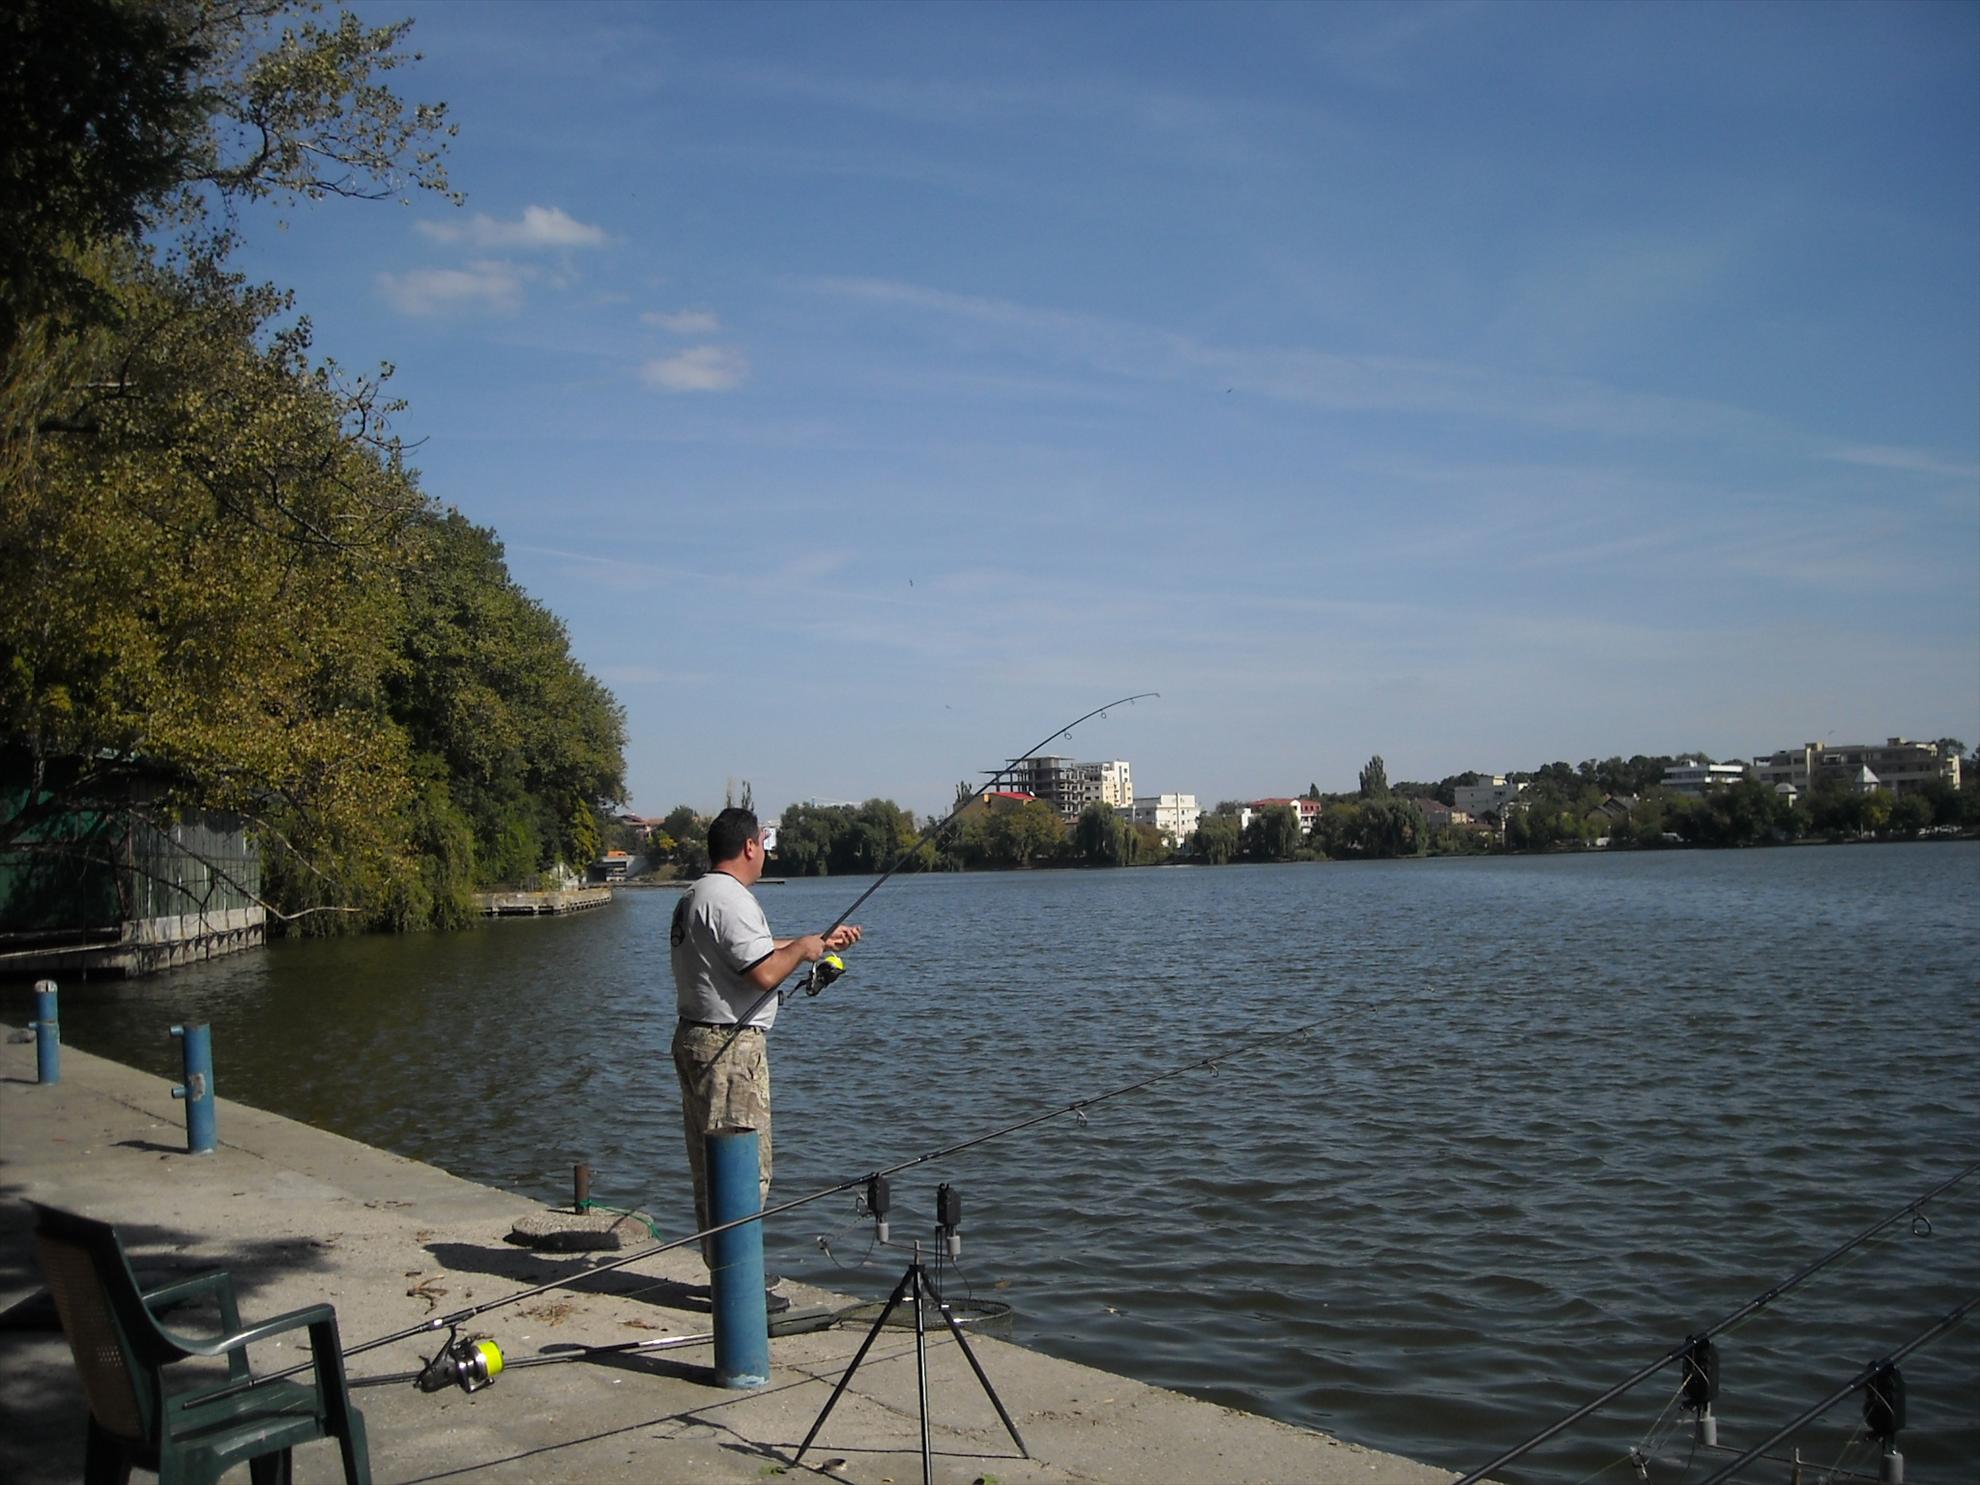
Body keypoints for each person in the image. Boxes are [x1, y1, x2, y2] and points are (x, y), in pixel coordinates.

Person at [670, 806, 861, 1303]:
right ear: (750, 846)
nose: (765, 852)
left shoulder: (699, 894)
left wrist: (815, 944)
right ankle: (741, 1291)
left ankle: (726, 1276)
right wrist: (798, 950)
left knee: (709, 1169)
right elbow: (762, 974)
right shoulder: (732, 900)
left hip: (697, 1039)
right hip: (730, 1051)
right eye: (762, 843)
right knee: (744, 1169)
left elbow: (748, 953)